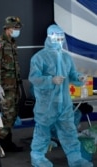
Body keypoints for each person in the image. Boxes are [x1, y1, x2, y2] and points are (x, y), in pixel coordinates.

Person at [28, 24, 93, 167]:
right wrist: (51, 80)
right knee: (42, 133)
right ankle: (37, 157)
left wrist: (79, 78)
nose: (59, 41)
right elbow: (34, 78)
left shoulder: (66, 57)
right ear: (49, 37)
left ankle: (75, 159)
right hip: (47, 105)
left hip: (64, 105)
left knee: (69, 133)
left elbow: (72, 75)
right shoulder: (39, 58)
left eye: (61, 38)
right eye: (56, 37)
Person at [0, 16, 23, 152]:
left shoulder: (12, 42)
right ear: (7, 28)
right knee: (8, 115)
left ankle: (7, 143)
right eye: (15, 28)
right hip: (5, 86)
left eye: (18, 28)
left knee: (13, 114)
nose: (17, 30)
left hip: (14, 85)